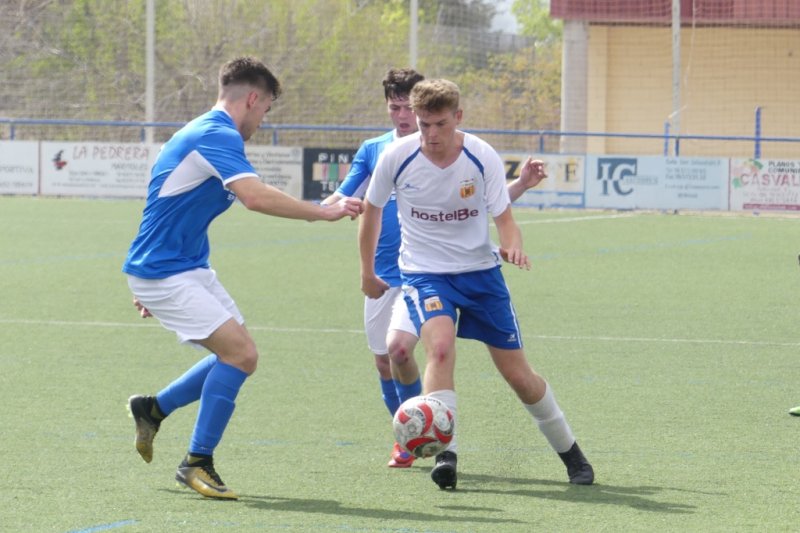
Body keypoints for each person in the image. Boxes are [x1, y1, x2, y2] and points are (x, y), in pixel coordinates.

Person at [122, 56, 362, 500]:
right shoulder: (215, 133)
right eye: (266, 109)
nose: (263, 119)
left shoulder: (204, 132)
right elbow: (253, 196)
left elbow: (164, 205)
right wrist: (322, 212)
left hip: (182, 268)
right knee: (240, 353)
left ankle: (152, 409)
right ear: (253, 98)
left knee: (240, 358)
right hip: (166, 272)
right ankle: (197, 462)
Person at [358, 78, 593, 490]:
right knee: (441, 349)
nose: (431, 135)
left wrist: (512, 248)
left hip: (481, 277)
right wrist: (366, 271)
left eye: (441, 125)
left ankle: (571, 453)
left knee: (519, 376)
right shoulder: (396, 156)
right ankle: (445, 454)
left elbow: (505, 221)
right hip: (425, 275)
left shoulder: (481, 155)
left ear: (458, 117)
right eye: (424, 124)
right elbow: (371, 213)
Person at [326, 68, 549, 469]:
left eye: (406, 109)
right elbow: (343, 198)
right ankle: (412, 427)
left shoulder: (456, 147)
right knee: (388, 357)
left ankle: (421, 439)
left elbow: (481, 200)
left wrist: (518, 188)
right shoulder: (378, 151)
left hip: (427, 274)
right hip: (385, 270)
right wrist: (321, 210)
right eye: (394, 107)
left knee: (427, 350)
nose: (403, 117)